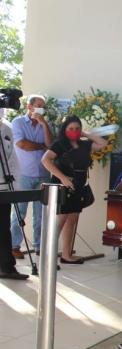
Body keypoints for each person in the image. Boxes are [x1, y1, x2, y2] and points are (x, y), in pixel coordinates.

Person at [41, 115, 107, 264]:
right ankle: (47, 256)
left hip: (78, 185)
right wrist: (63, 177)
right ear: (64, 129)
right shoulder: (59, 144)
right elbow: (45, 160)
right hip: (62, 184)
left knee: (72, 219)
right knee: (60, 220)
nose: (74, 131)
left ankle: (66, 254)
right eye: (71, 128)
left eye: (77, 128)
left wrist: (86, 134)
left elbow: (102, 143)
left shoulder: (84, 144)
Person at [9, 94, 53, 259]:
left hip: (43, 175)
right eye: (38, 105)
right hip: (23, 175)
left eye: (43, 106)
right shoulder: (18, 122)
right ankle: (14, 246)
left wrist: (44, 124)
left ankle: (39, 246)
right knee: (19, 212)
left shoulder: (45, 125)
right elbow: (22, 144)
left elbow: (50, 145)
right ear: (30, 107)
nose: (41, 108)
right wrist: (40, 146)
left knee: (40, 214)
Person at [1, 122, 28, 280]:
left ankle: (6, 266)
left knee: (3, 228)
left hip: (4, 186)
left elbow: (12, 159)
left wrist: (16, 185)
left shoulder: (6, 129)